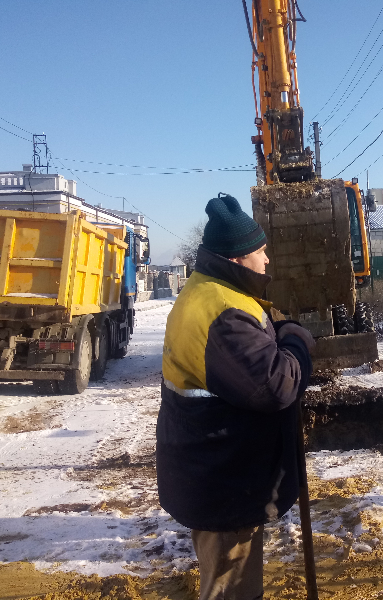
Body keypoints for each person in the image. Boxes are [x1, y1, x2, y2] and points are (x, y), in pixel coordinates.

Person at [156, 193, 314, 600]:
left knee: (226, 579)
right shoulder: (222, 312)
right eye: (261, 252)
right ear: (236, 259)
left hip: (212, 469)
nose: (267, 261)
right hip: (224, 477)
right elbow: (276, 386)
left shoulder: (207, 292)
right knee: (231, 588)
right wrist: (295, 340)